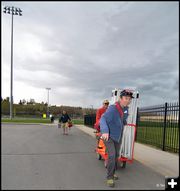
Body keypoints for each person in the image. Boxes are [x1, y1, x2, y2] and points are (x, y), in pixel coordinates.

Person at [100, 89, 133, 187]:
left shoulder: (126, 109)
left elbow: (122, 119)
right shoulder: (113, 108)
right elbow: (103, 119)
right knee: (111, 155)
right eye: (126, 98)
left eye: (129, 99)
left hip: (118, 136)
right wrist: (105, 131)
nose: (128, 100)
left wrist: (124, 122)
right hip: (108, 135)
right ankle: (109, 177)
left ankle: (113, 172)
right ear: (121, 98)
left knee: (116, 155)